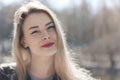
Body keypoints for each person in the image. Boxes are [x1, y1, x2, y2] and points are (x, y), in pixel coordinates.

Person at [0, 0, 99, 80]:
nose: (46, 36)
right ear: (24, 42)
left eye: (50, 27)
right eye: (35, 31)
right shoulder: (4, 75)